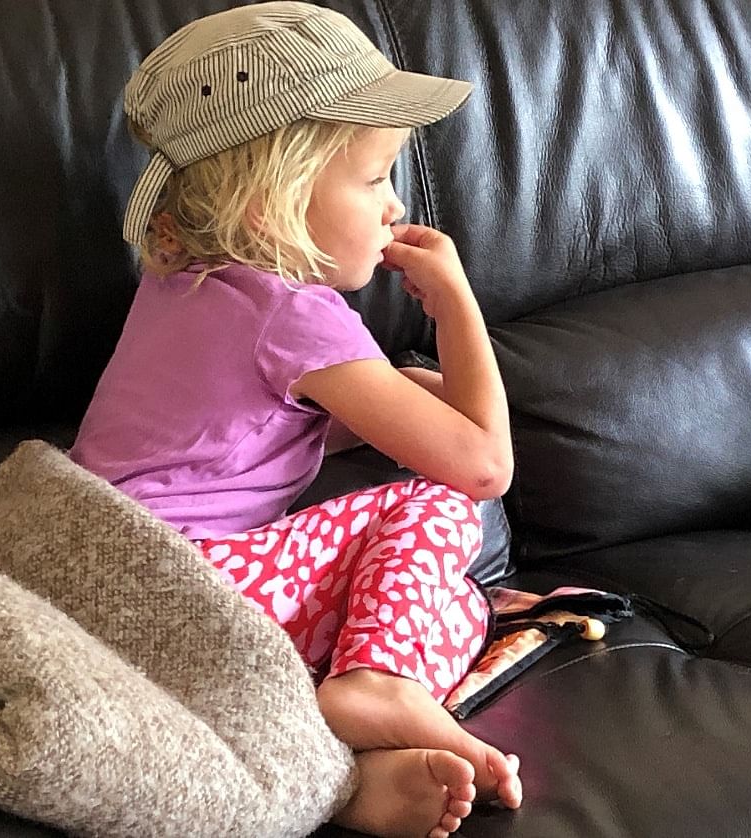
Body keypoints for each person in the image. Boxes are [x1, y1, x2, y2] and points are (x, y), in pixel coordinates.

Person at [68, 4, 521, 836]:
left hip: (113, 601)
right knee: (436, 510)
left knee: (453, 605)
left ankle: (349, 781)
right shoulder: (294, 314)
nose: (395, 206)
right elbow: (483, 468)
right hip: (190, 593)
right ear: (266, 205)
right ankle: (372, 690)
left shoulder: (185, 285)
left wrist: (402, 393)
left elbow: (240, 437)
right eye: (374, 176)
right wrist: (458, 306)